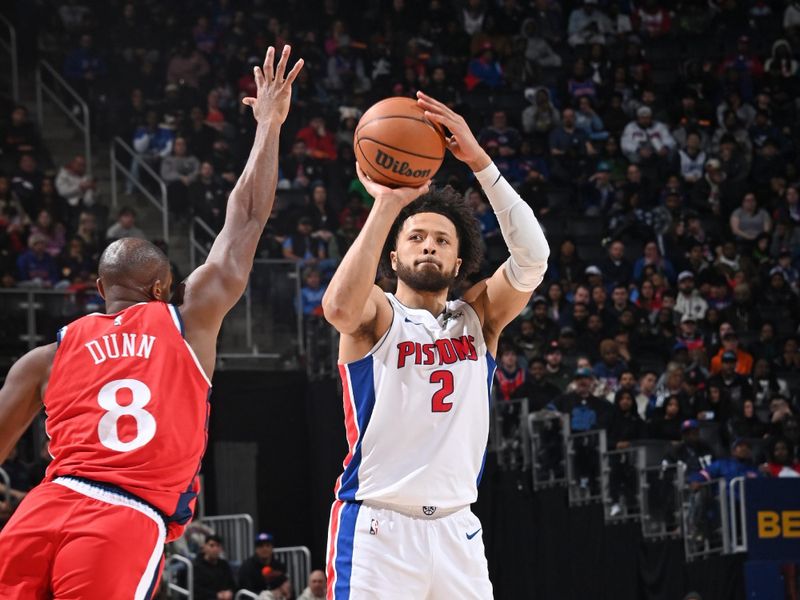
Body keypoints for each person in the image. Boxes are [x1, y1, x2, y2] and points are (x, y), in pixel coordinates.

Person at [0, 46, 304, 597]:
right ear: (161, 288)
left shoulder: (47, 357)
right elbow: (248, 217)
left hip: (42, 509)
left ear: (99, 291)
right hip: (124, 515)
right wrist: (268, 125)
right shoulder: (186, 324)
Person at [321, 91, 549, 599]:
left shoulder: (479, 316)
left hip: (456, 530)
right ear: (394, 255)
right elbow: (337, 309)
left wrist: (482, 163)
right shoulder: (379, 314)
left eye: (443, 240)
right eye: (416, 237)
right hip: (379, 527)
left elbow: (533, 258)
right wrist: (386, 206)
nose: (429, 245)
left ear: (459, 260)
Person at [193, 534, 236, 600]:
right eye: (211, 545)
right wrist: (216, 595)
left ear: (221, 548)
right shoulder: (196, 566)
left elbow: (233, 584)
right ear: (204, 547)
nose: (215, 549)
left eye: (218, 546)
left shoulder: (224, 564)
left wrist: (230, 592)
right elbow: (196, 590)